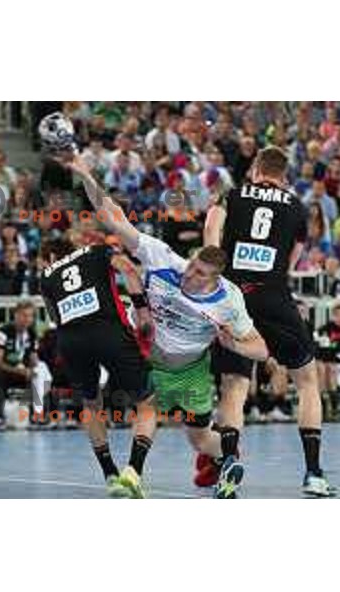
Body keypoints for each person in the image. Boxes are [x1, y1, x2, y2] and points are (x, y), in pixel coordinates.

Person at [66, 154, 268, 499]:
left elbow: (261, 349)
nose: (189, 275)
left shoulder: (229, 300)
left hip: (191, 370)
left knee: (200, 439)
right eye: (191, 267)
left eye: (199, 275)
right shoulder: (165, 260)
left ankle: (230, 458)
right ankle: (132, 474)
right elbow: (114, 218)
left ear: (214, 279)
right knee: (147, 408)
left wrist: (233, 345)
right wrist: (87, 175)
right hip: (153, 360)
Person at [204, 145, 334, 497]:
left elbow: (211, 233)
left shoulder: (230, 195)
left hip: (234, 298)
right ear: (283, 175)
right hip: (274, 296)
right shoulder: (296, 205)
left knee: (233, 385)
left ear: (256, 169)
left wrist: (217, 281)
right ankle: (313, 473)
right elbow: (292, 259)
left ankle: (228, 464)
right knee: (307, 381)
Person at [39, 235, 156, 499]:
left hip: (71, 341)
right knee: (147, 402)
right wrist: (142, 312)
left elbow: (54, 316)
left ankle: (110, 475)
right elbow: (128, 269)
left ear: (49, 257)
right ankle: (133, 470)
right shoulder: (97, 250)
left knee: (91, 405)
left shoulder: (46, 275)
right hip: (109, 332)